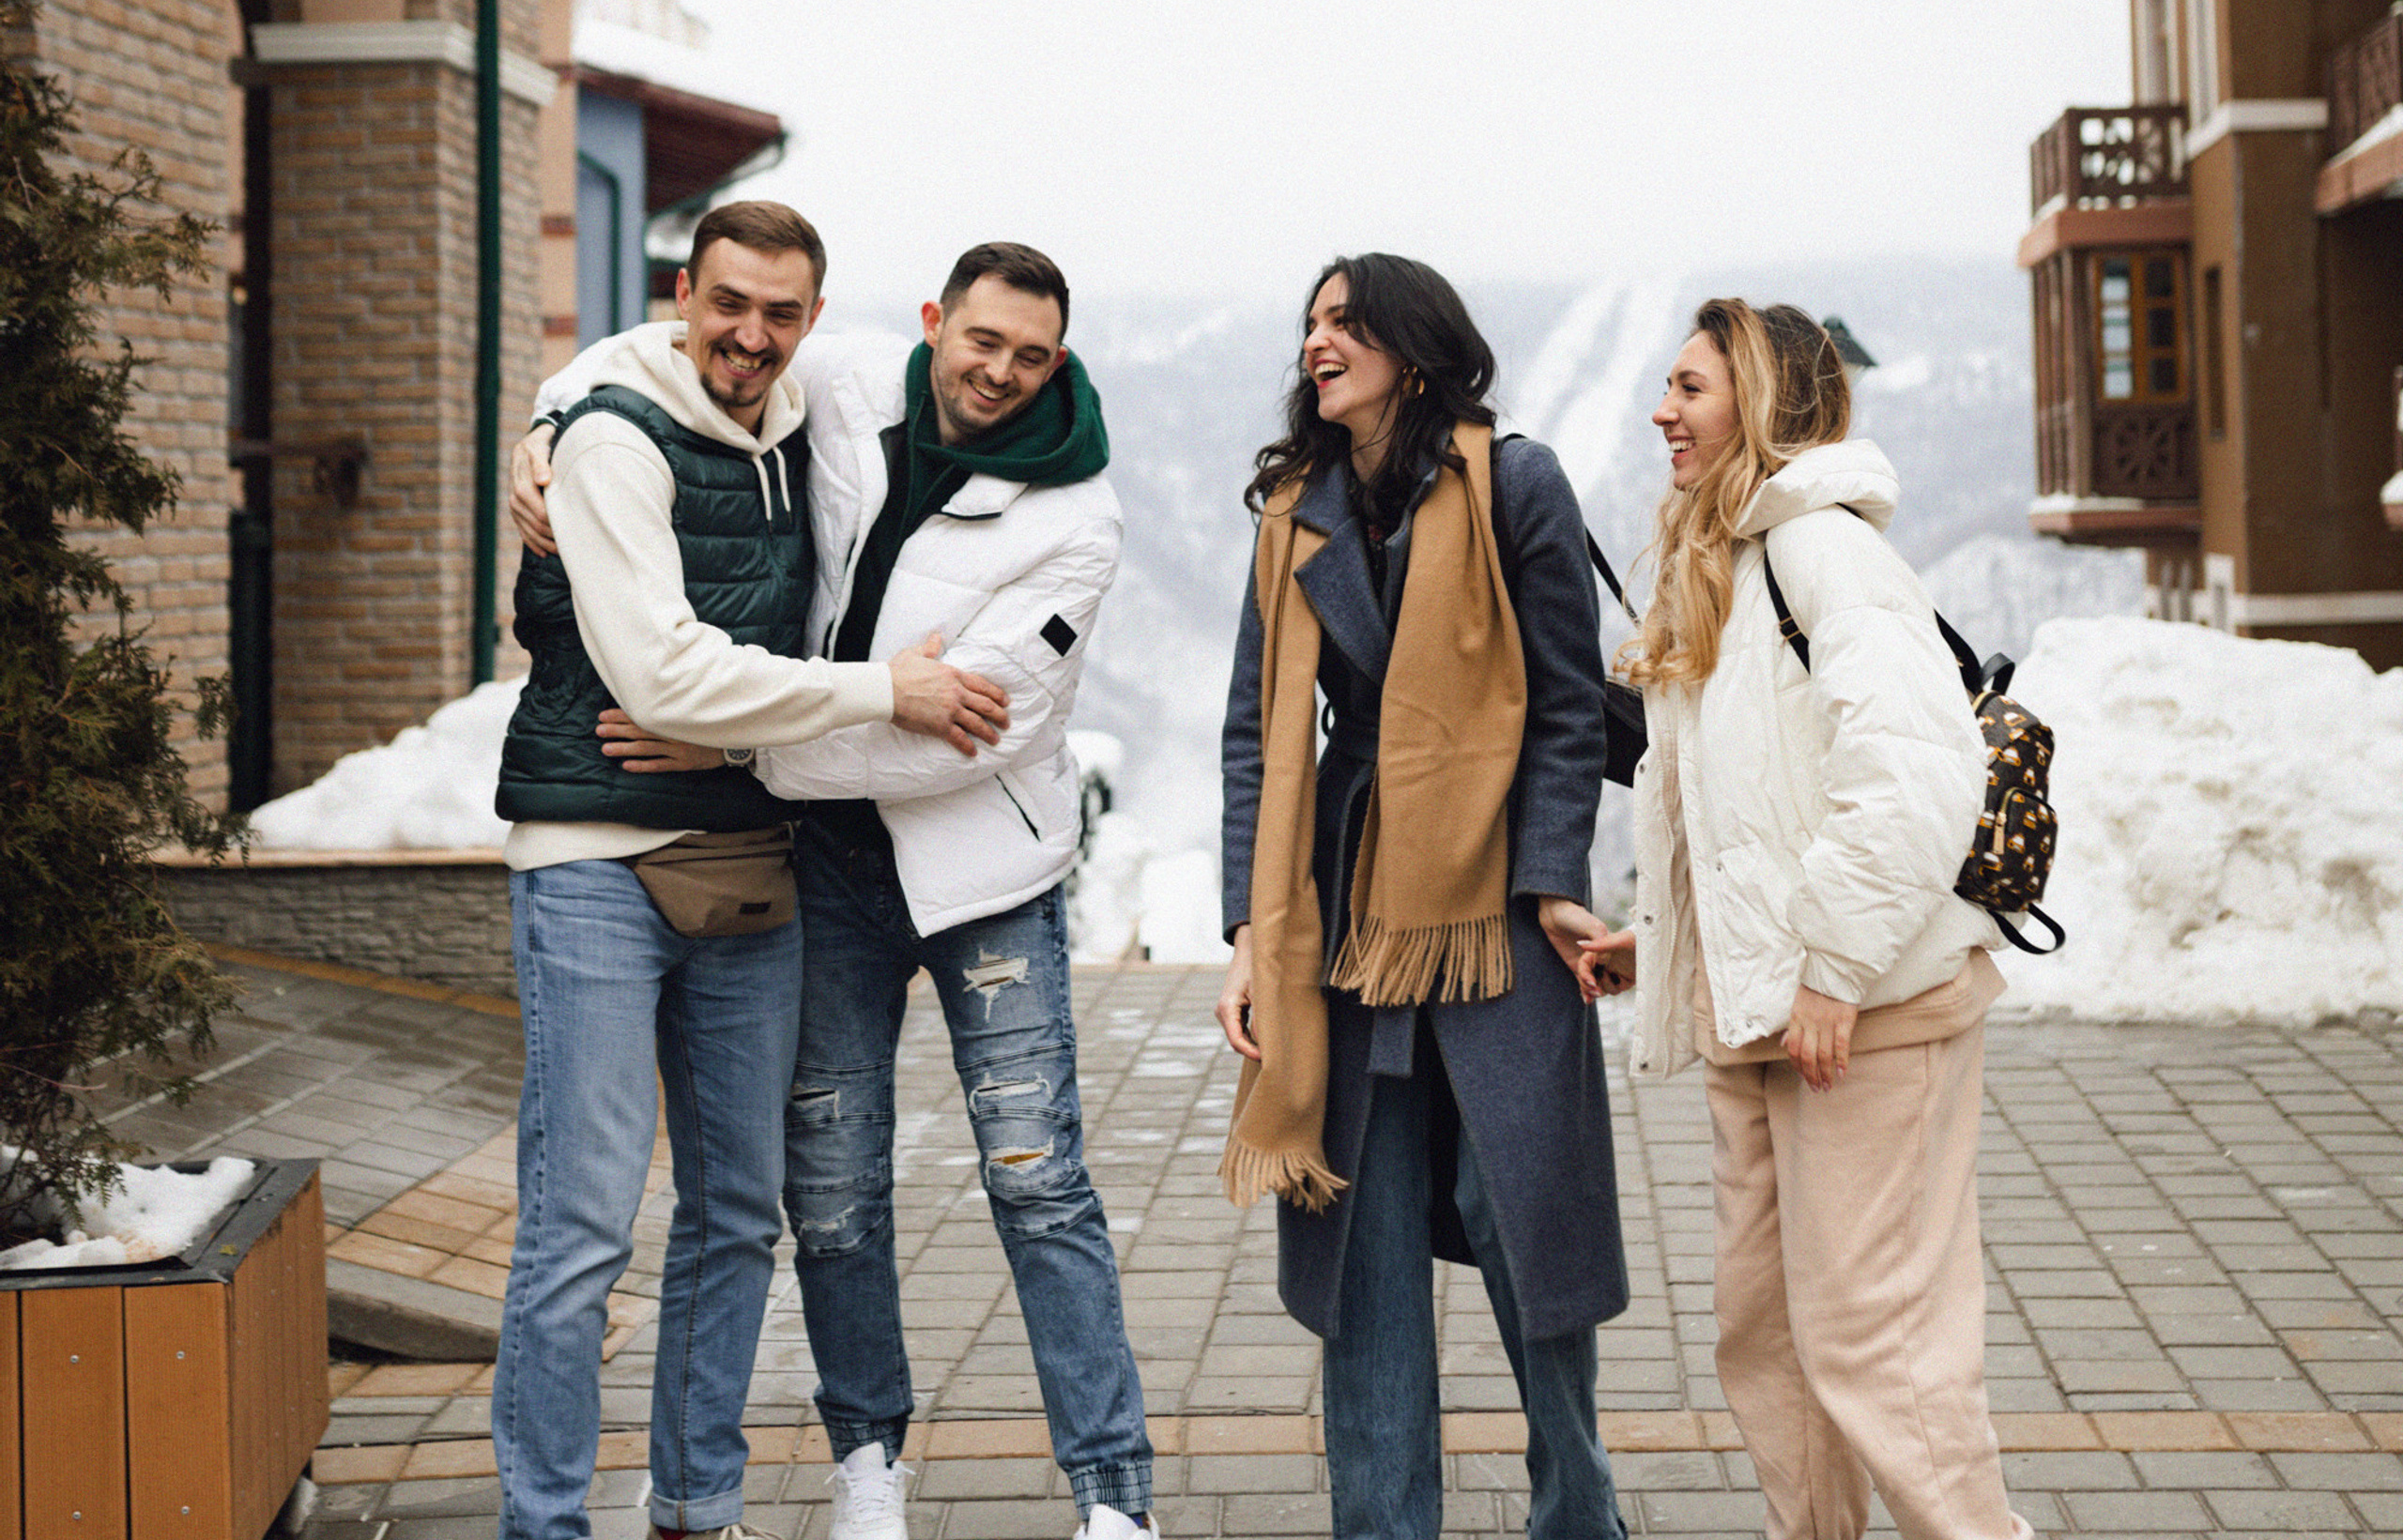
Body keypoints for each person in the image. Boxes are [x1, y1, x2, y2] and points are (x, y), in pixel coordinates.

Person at [514, 241, 1157, 1540]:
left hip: (984, 872)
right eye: (983, 342)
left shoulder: (1079, 517)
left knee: (1040, 1183)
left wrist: (734, 742)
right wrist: (545, 428)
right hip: (821, 864)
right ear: (934, 323)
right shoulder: (850, 378)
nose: (1001, 374)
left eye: (1033, 357)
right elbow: (670, 356)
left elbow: (973, 726)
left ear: (1061, 362)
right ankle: (868, 1467)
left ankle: (1112, 1496)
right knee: (836, 1194)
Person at [1587, 298, 2032, 1540]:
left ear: (1765, 406)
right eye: (1666, 387)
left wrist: (1831, 964)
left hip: (1864, 1017)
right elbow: (1742, 808)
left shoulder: (1821, 552)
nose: (1662, 411)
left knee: (1878, 1347)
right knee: (1770, 1340)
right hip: (1765, 1018)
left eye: (1690, 388)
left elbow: (1911, 775)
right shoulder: (1717, 557)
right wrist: (1667, 944)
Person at [1213, 253, 1631, 1540]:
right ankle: (1383, 1523)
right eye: (1311, 322)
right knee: (1365, 1238)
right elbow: (1252, 730)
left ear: (1415, 343)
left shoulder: (1516, 481)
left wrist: (1555, 880)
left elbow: (1570, 704)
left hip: (1495, 897)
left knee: (1518, 1222)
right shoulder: (1301, 507)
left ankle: (1578, 1513)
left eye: (1346, 322)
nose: (1317, 341)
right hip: (1342, 914)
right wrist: (1247, 932)